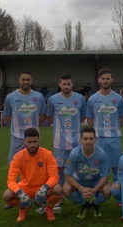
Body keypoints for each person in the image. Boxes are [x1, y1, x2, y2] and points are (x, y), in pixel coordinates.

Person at [2, 128, 63, 222]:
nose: (32, 145)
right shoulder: (18, 157)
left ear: (39, 141)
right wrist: (20, 193)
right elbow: (11, 180)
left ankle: (49, 208)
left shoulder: (47, 154)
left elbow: (54, 176)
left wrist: (45, 188)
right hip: (26, 188)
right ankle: (23, 207)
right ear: (24, 142)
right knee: (7, 196)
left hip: (43, 187)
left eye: (35, 141)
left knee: (58, 189)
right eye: (29, 142)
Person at [46, 73, 86, 207]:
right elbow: (50, 117)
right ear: (59, 85)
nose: (66, 86)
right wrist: (60, 128)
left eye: (69, 84)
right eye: (64, 84)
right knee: (60, 169)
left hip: (76, 142)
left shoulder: (79, 98)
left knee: (79, 168)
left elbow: (82, 117)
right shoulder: (53, 99)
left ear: (72, 84)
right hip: (59, 142)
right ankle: (60, 197)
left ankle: (80, 195)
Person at [87, 68, 123, 183]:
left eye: (107, 78)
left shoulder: (119, 99)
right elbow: (89, 119)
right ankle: (99, 192)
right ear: (99, 80)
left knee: (117, 168)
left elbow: (122, 118)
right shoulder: (92, 99)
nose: (105, 81)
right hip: (98, 139)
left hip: (114, 138)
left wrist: (115, 130)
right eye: (103, 79)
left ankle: (118, 195)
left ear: (112, 80)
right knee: (97, 167)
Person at [63, 127, 111, 218]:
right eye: (85, 138)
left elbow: (105, 175)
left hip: (96, 180)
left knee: (108, 190)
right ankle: (84, 204)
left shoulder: (101, 154)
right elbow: (68, 175)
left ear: (95, 140)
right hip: (79, 180)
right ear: (81, 140)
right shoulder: (74, 154)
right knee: (66, 189)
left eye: (91, 138)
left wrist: (95, 189)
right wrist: (81, 188)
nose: (88, 141)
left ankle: (94, 203)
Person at [3, 70, 47, 166]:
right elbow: (7, 115)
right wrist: (15, 126)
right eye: (23, 79)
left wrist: (35, 127)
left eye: (28, 80)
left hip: (33, 137)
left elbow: (43, 114)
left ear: (31, 81)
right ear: (19, 80)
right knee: (14, 164)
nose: (25, 82)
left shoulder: (39, 97)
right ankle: (16, 182)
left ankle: (33, 181)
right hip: (17, 137)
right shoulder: (11, 97)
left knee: (34, 164)